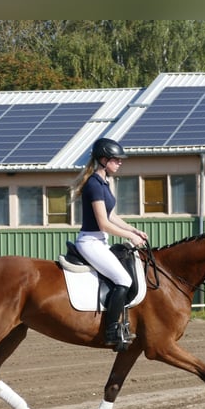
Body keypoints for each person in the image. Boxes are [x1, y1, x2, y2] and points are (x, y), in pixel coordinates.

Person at [71, 137, 148, 351]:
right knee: (123, 279)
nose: (120, 162)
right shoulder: (94, 184)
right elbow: (103, 223)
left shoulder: (105, 182)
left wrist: (133, 229)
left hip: (100, 242)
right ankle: (112, 330)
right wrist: (129, 237)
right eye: (116, 159)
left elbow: (112, 215)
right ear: (104, 160)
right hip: (90, 242)